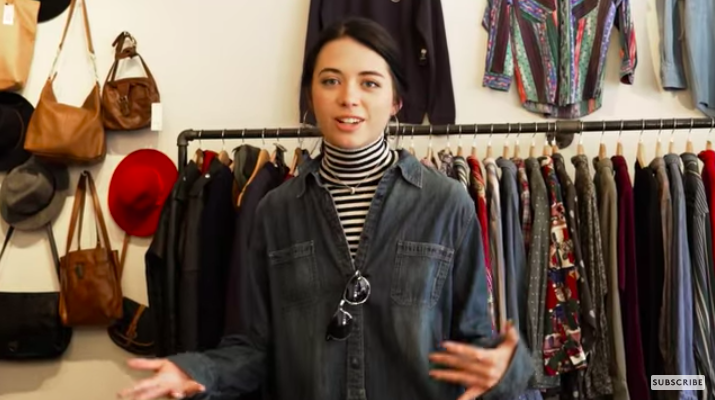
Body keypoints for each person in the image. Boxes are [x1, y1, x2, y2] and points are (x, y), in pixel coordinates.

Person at [119, 17, 534, 400]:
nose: (348, 97)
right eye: (331, 80)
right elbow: (251, 348)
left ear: (395, 100)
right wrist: (196, 373)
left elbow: (474, 345)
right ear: (311, 94)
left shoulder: (446, 204)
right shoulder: (275, 213)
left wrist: (506, 369)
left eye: (369, 83)